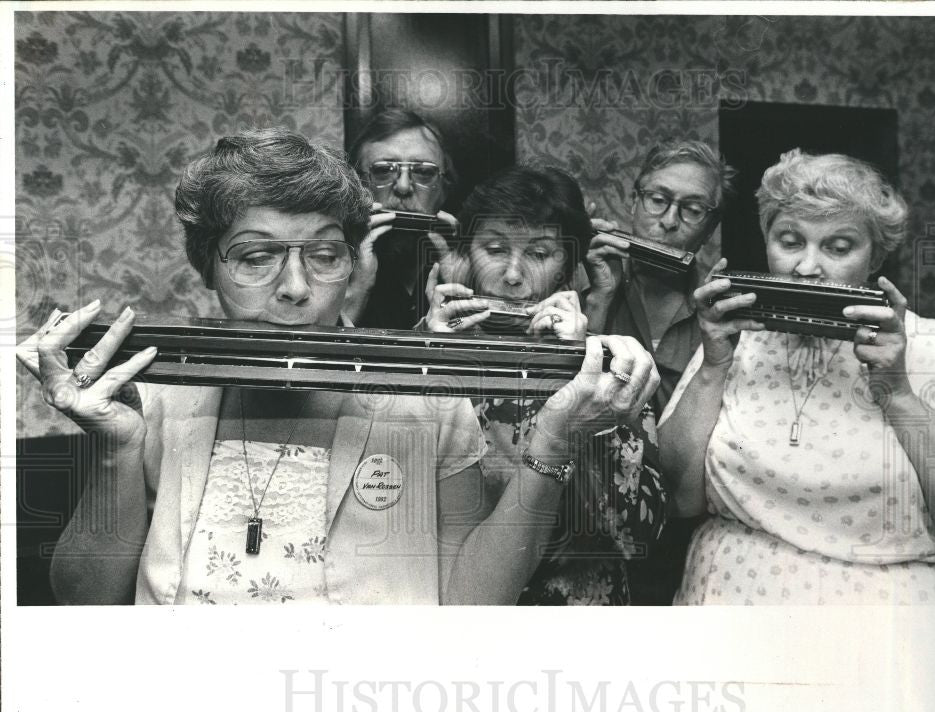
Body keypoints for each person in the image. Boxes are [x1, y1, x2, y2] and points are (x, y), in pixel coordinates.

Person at [15, 128, 659, 606]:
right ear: (207, 265)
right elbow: (84, 601)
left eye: (324, 256)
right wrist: (116, 450)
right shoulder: (156, 395)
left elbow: (472, 603)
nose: (296, 288)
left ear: (353, 264)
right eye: (256, 257)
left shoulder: (427, 398)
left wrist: (554, 441)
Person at [658, 149, 935, 605]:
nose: (807, 267)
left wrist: (899, 394)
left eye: (838, 247)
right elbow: (678, 499)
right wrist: (713, 366)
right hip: (732, 599)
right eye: (790, 241)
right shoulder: (736, 339)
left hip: (892, 613)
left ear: (875, 256)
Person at [421, 165, 668, 604]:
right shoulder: (426, 347)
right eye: (494, 249)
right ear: (466, 255)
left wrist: (573, 369)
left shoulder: (609, 365)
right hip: (459, 606)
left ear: (566, 268)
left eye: (539, 253)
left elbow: (637, 537)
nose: (513, 276)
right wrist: (431, 357)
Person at [584, 140, 737, 602]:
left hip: (682, 523)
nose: (669, 221)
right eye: (658, 200)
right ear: (634, 202)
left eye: (692, 210)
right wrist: (599, 303)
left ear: (709, 227)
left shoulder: (722, 313)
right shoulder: (584, 285)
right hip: (588, 510)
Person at [343, 108, 457, 329]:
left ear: (444, 189)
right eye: (383, 170)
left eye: (424, 172)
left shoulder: (469, 261)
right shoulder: (325, 263)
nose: (403, 187)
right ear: (357, 187)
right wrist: (355, 293)